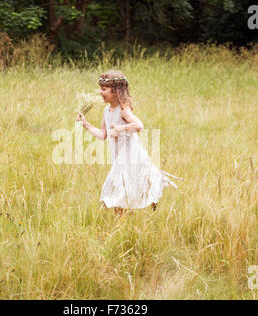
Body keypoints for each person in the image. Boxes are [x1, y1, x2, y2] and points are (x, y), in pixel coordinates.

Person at [76, 70, 180, 215]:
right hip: (118, 157)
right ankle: (133, 214)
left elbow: (139, 126)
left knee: (120, 191)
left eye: (104, 89)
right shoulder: (107, 111)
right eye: (100, 88)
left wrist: (121, 128)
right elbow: (102, 135)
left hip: (131, 154)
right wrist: (85, 124)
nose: (100, 92)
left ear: (116, 91)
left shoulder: (123, 110)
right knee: (123, 189)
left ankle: (128, 217)